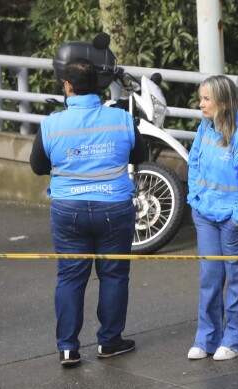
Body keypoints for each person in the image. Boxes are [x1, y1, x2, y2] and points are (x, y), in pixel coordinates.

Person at [29, 58, 147, 367]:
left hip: (68, 209)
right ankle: (109, 342)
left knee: (70, 277)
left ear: (66, 86)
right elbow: (141, 154)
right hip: (114, 208)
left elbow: (38, 167)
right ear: (98, 86)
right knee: (114, 275)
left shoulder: (51, 124)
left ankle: (68, 348)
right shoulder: (121, 119)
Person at [186, 75, 238, 362]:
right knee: (210, 278)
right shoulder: (205, 128)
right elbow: (193, 162)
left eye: (206, 99)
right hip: (206, 215)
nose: (201, 104)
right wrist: (195, 200)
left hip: (234, 221)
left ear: (222, 102)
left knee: (236, 280)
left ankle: (234, 339)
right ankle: (206, 338)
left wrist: (237, 219)